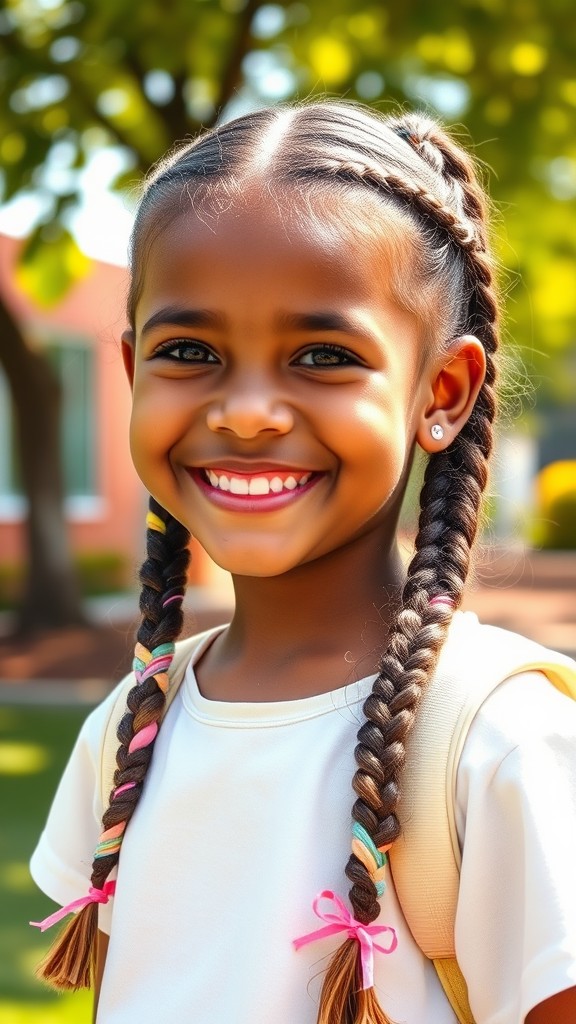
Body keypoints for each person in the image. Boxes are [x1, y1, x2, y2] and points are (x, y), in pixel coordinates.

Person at [29, 100, 576, 1024]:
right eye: (190, 351)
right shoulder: (127, 730)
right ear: (131, 373)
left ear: (441, 392)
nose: (246, 411)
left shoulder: (502, 745)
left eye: (322, 355)